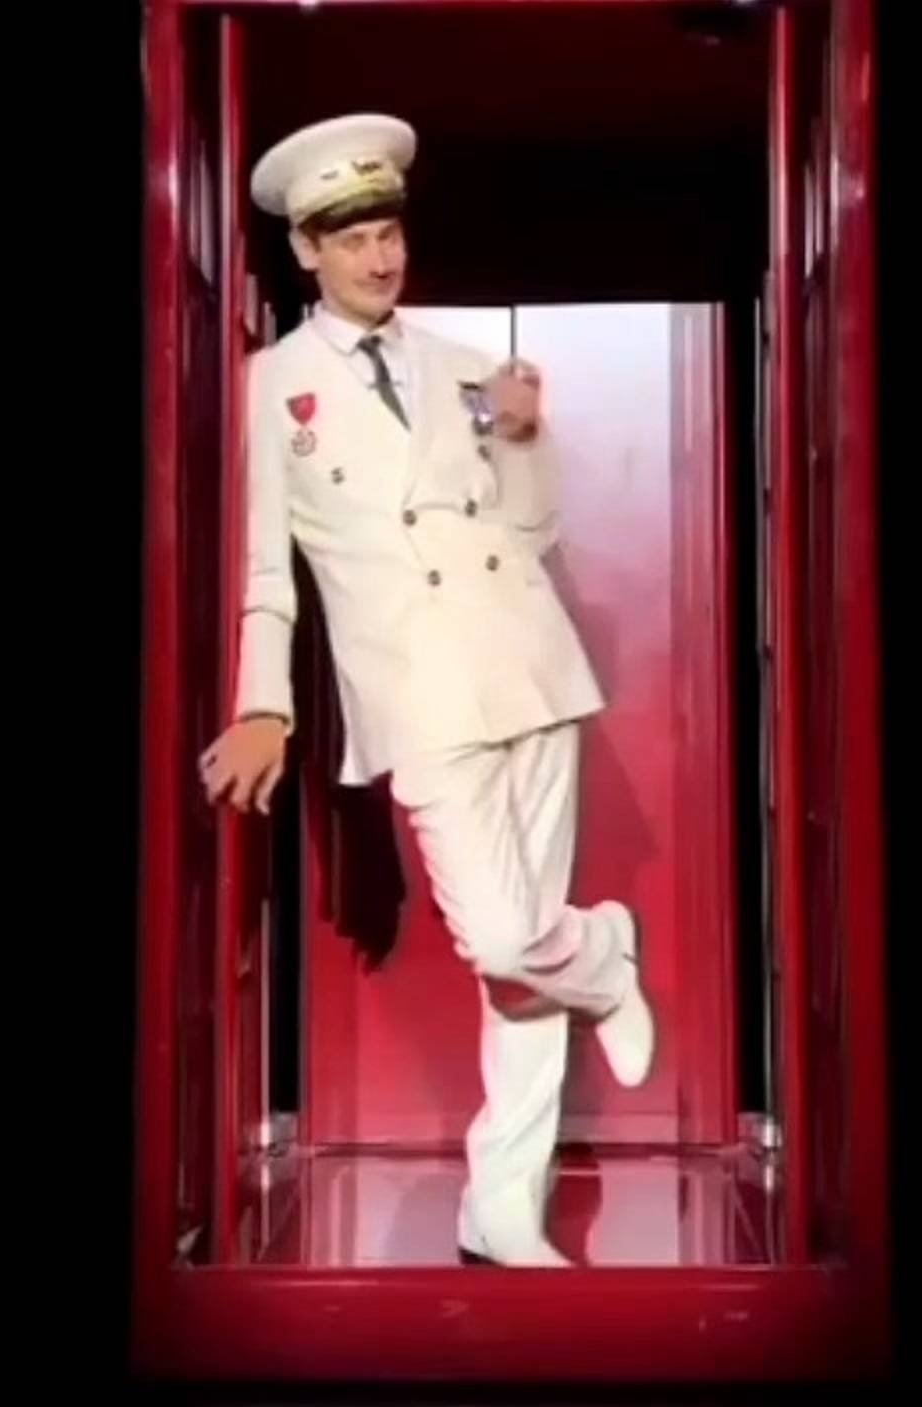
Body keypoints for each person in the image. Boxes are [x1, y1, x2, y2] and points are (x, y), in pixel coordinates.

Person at [200, 113, 655, 1267]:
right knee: (503, 935)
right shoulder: (271, 385)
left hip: (528, 664)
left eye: (389, 233)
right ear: (306, 249)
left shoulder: (463, 366)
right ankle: (604, 951)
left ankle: (502, 1207)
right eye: (352, 239)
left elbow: (532, 526)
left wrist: (524, 435)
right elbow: (266, 572)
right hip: (414, 693)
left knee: (517, 972)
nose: (379, 257)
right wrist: (265, 703)